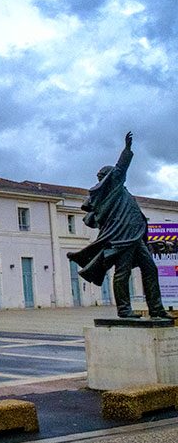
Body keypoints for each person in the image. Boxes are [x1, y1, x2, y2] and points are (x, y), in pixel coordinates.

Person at [67, 132, 170, 319]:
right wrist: (127, 150)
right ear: (109, 178)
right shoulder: (112, 189)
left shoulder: (116, 194)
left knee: (150, 269)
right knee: (122, 273)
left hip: (134, 236)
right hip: (123, 239)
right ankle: (124, 310)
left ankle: (156, 310)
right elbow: (120, 168)